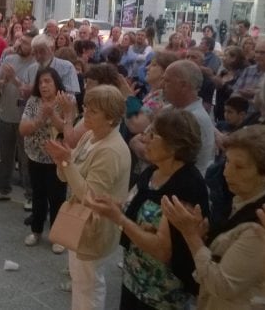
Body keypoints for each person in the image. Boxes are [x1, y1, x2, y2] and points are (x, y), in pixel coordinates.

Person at [89, 109, 209, 309]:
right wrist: (112, 205)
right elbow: (136, 209)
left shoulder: (187, 185)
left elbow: (162, 250)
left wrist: (118, 218)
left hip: (161, 291)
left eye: (153, 135)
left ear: (174, 145)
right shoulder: (154, 171)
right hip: (134, 276)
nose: (144, 139)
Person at [162, 125, 265, 309]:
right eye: (227, 162)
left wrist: (190, 235)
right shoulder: (243, 200)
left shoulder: (263, 225)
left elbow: (223, 285)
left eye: (239, 167)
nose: (226, 172)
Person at [44, 85, 132, 309]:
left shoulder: (110, 150)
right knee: (81, 279)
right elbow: (67, 175)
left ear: (111, 118)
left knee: (89, 284)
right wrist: (62, 160)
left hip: (94, 226)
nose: (86, 115)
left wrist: (65, 162)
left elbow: (90, 196)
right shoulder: (91, 136)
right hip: (81, 222)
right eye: (86, 108)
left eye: (93, 111)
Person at [18, 67, 76, 253]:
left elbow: (67, 130)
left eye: (48, 81)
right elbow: (23, 129)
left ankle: (57, 236)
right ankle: (36, 231)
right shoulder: (34, 101)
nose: (43, 86)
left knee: (57, 197)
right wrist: (40, 119)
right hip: (35, 155)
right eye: (40, 82)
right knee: (38, 195)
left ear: (56, 82)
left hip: (57, 159)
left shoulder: (67, 100)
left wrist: (51, 114)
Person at [0, 32, 35, 206]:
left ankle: (30, 196)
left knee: (25, 159)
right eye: (20, 40)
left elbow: (29, 92)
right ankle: (3, 190)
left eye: (26, 43)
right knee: (5, 157)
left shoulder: (36, 65)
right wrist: (2, 82)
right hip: (6, 115)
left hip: (26, 119)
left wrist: (13, 79)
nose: (20, 44)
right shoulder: (9, 60)